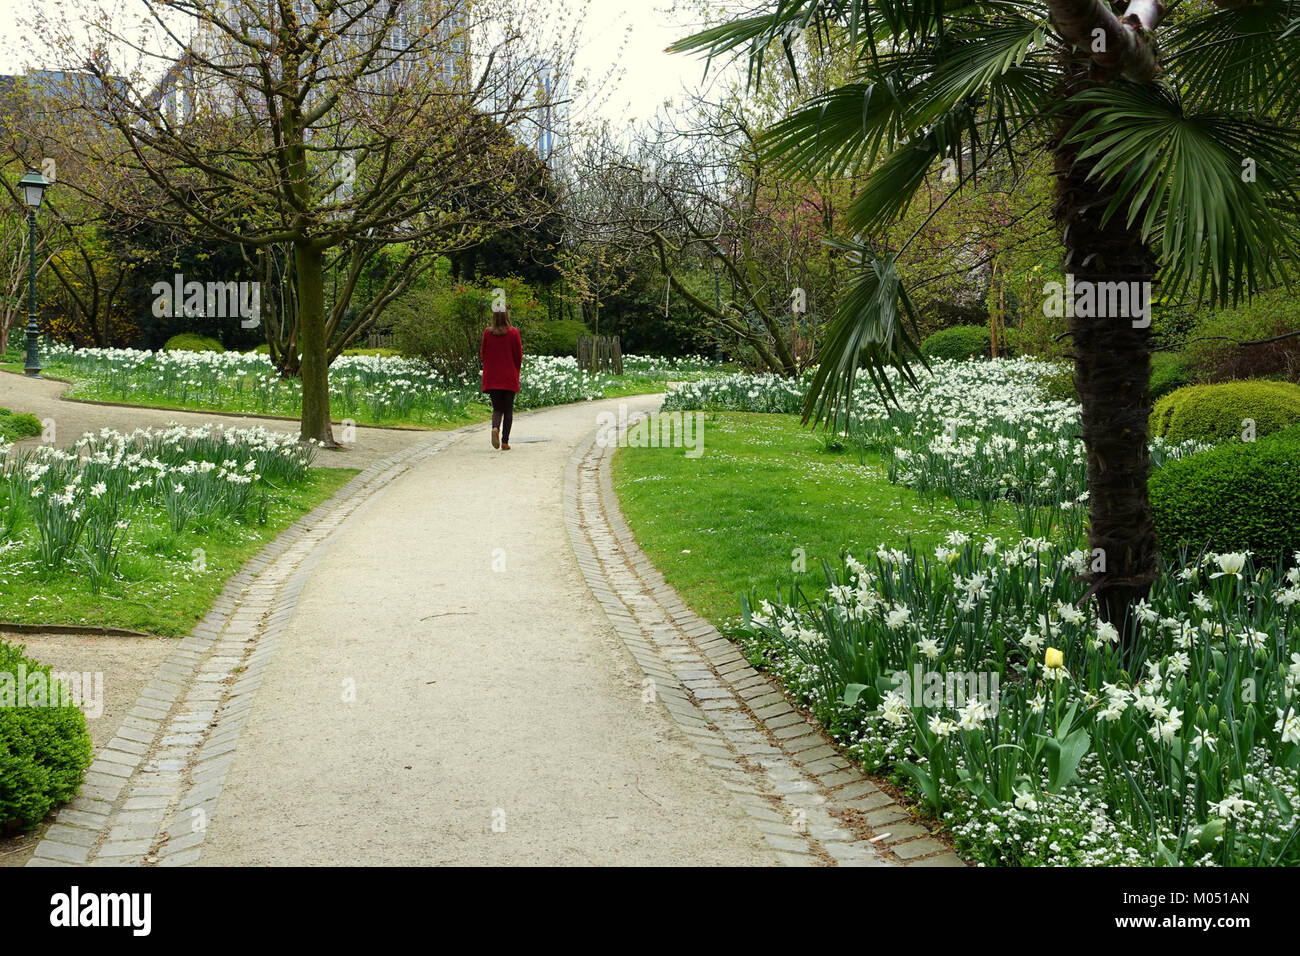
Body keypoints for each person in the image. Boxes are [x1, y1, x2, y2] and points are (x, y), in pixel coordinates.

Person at [480, 308, 522, 450]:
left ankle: (495, 428)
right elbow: (518, 356)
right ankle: (505, 442)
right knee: (508, 410)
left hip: (492, 377)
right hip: (509, 376)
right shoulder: (514, 333)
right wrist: (516, 370)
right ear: (506, 316)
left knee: (497, 409)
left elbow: (483, 354)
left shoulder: (487, 333)